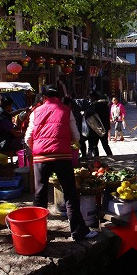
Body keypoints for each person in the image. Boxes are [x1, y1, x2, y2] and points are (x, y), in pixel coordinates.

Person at [25, 84, 97, 240]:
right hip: (62, 156)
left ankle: (38, 233)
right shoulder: (66, 110)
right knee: (70, 193)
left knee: (40, 195)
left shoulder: (35, 112)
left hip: (40, 158)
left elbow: (27, 137)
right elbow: (76, 136)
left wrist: (37, 149)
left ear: (44, 98)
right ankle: (78, 232)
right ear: (58, 96)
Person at [85, 91, 112, 156]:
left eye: (90, 97)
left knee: (94, 145)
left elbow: (89, 116)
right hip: (104, 127)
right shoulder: (105, 105)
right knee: (105, 145)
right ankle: (111, 157)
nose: (89, 99)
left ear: (93, 97)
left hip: (95, 128)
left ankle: (96, 159)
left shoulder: (94, 106)